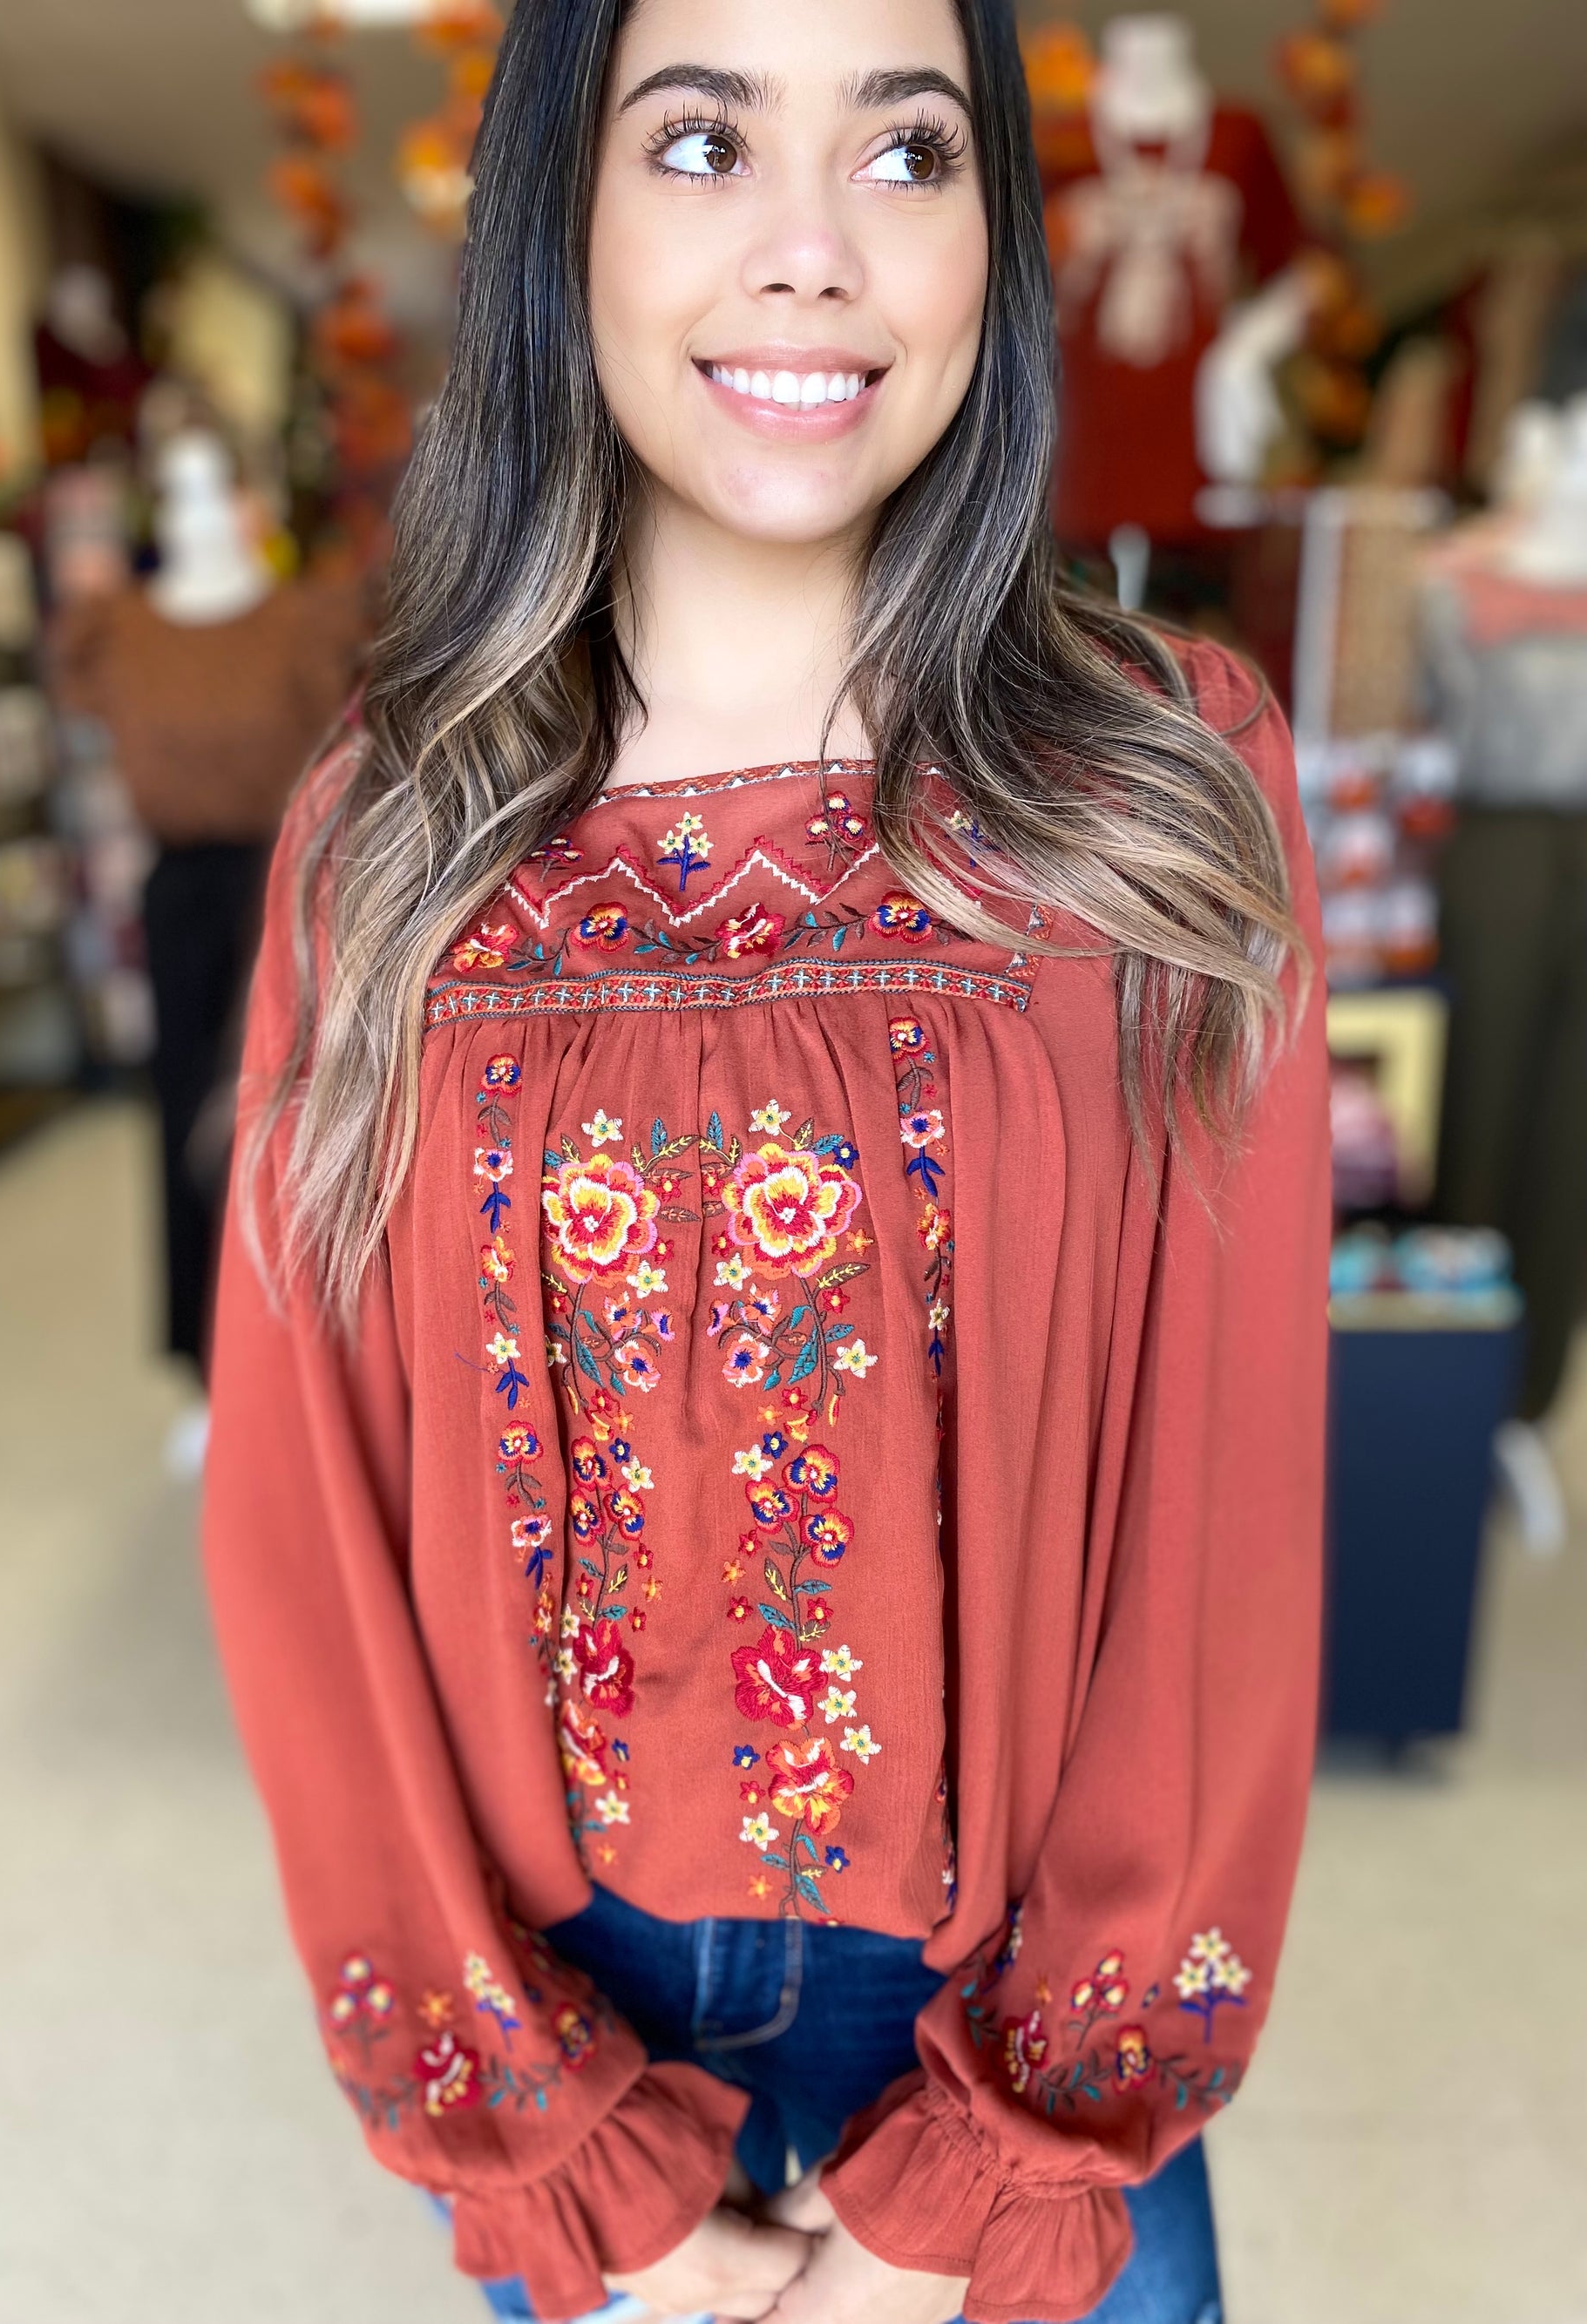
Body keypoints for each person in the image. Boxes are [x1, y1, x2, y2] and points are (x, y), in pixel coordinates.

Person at [200, 3, 1330, 2321]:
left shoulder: (1164, 788)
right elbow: (302, 1530)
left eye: (906, 155)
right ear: (562, 215)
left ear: (990, 242)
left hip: (1027, 2050)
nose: (812, 249)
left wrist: (998, 2162)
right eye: (703, 139)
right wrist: (550, 2149)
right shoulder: (389, 841)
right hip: (570, 2070)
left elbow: (1221, 1516)